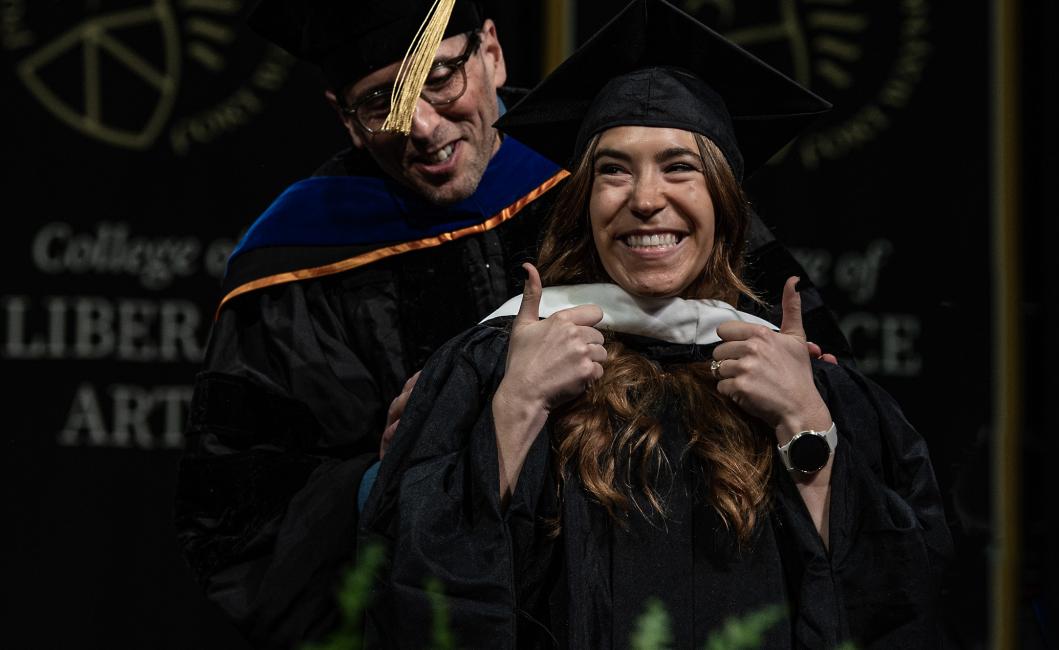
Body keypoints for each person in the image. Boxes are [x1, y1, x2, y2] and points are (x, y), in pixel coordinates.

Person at [174, 0, 850, 648]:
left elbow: (817, 408)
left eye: (439, 76)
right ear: (345, 119)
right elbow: (239, 530)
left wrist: (802, 409)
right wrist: (401, 475)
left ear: (492, 53)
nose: (423, 125)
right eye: (382, 101)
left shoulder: (619, 184)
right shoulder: (296, 263)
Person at [358, 1, 950, 648]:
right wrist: (515, 411)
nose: (644, 199)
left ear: (724, 205)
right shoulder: (494, 369)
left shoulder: (812, 385)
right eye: (613, 170)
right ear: (584, 204)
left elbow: (900, 606)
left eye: (679, 166)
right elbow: (412, 603)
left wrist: (806, 429)